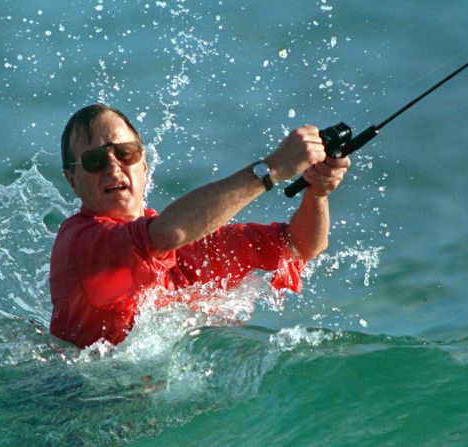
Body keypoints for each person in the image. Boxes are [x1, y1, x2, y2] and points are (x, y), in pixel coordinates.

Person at [49, 104, 350, 348]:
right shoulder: (82, 242)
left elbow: (300, 245)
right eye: (94, 160)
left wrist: (316, 193)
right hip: (78, 404)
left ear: (143, 165)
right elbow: (167, 234)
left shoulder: (187, 245)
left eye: (126, 153)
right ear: (72, 180)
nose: (114, 166)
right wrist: (272, 169)